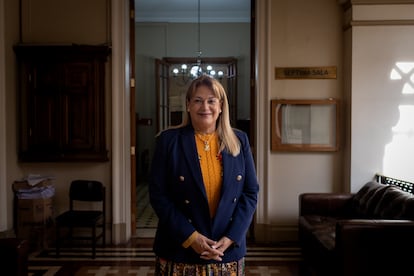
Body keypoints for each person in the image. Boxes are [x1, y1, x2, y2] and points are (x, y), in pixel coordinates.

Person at [149, 75, 259, 275]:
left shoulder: (239, 140)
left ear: (221, 105)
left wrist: (232, 237)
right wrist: (192, 238)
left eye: (211, 101)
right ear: (188, 105)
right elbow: (158, 196)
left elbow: (250, 193)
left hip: (226, 249)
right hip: (179, 247)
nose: (204, 107)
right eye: (198, 100)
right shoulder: (168, 141)